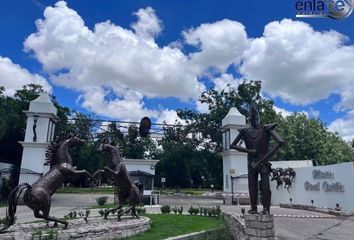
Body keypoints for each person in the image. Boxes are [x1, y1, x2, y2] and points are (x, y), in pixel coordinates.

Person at [230, 103, 284, 214]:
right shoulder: (245, 130)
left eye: (256, 117)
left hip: (263, 162)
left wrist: (266, 157)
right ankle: (254, 208)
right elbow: (233, 145)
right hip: (251, 162)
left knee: (265, 187)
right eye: (253, 117)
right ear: (250, 118)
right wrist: (248, 151)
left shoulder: (266, 129)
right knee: (252, 186)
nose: (255, 119)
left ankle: (266, 209)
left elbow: (280, 142)